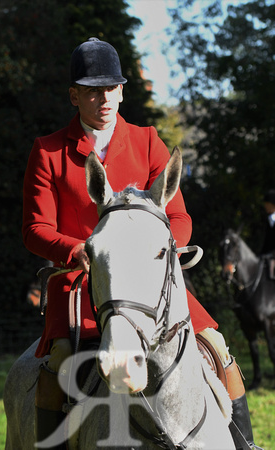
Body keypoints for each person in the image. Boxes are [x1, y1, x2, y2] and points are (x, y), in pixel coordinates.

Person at [22, 37, 261, 450]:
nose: (104, 99)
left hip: (153, 281)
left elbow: (180, 218)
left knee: (220, 350)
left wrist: (164, 249)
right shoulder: (47, 152)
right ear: (74, 95)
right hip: (83, 284)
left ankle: (247, 445)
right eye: (93, 91)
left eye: (111, 88)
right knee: (58, 366)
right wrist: (77, 250)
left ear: (122, 90)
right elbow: (34, 228)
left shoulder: (148, 140)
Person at [261, 189, 275, 279]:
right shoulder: (268, 220)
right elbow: (267, 241)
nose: (265, 206)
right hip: (269, 255)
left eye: (267, 203)